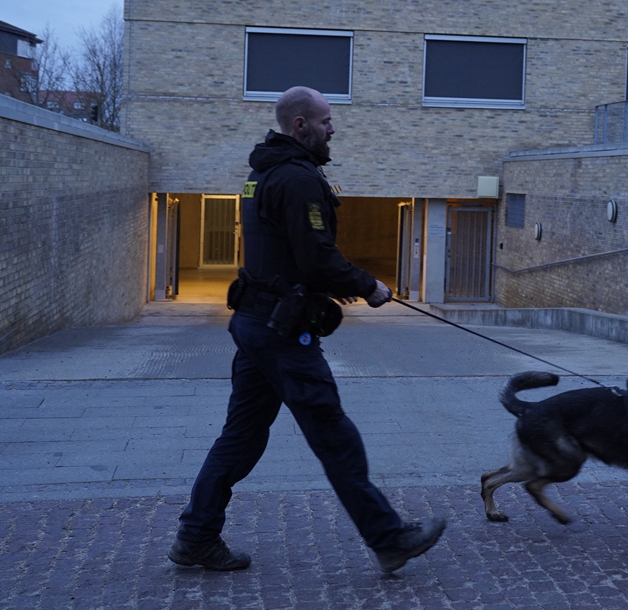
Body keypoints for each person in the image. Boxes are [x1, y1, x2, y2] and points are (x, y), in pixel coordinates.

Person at [169, 86, 445, 573]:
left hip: (255, 324)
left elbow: (287, 256)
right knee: (333, 435)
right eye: (326, 121)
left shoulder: (262, 173)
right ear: (300, 125)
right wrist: (369, 287)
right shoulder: (297, 180)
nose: (332, 128)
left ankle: (196, 537)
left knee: (242, 436)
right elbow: (317, 259)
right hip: (280, 332)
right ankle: (388, 538)